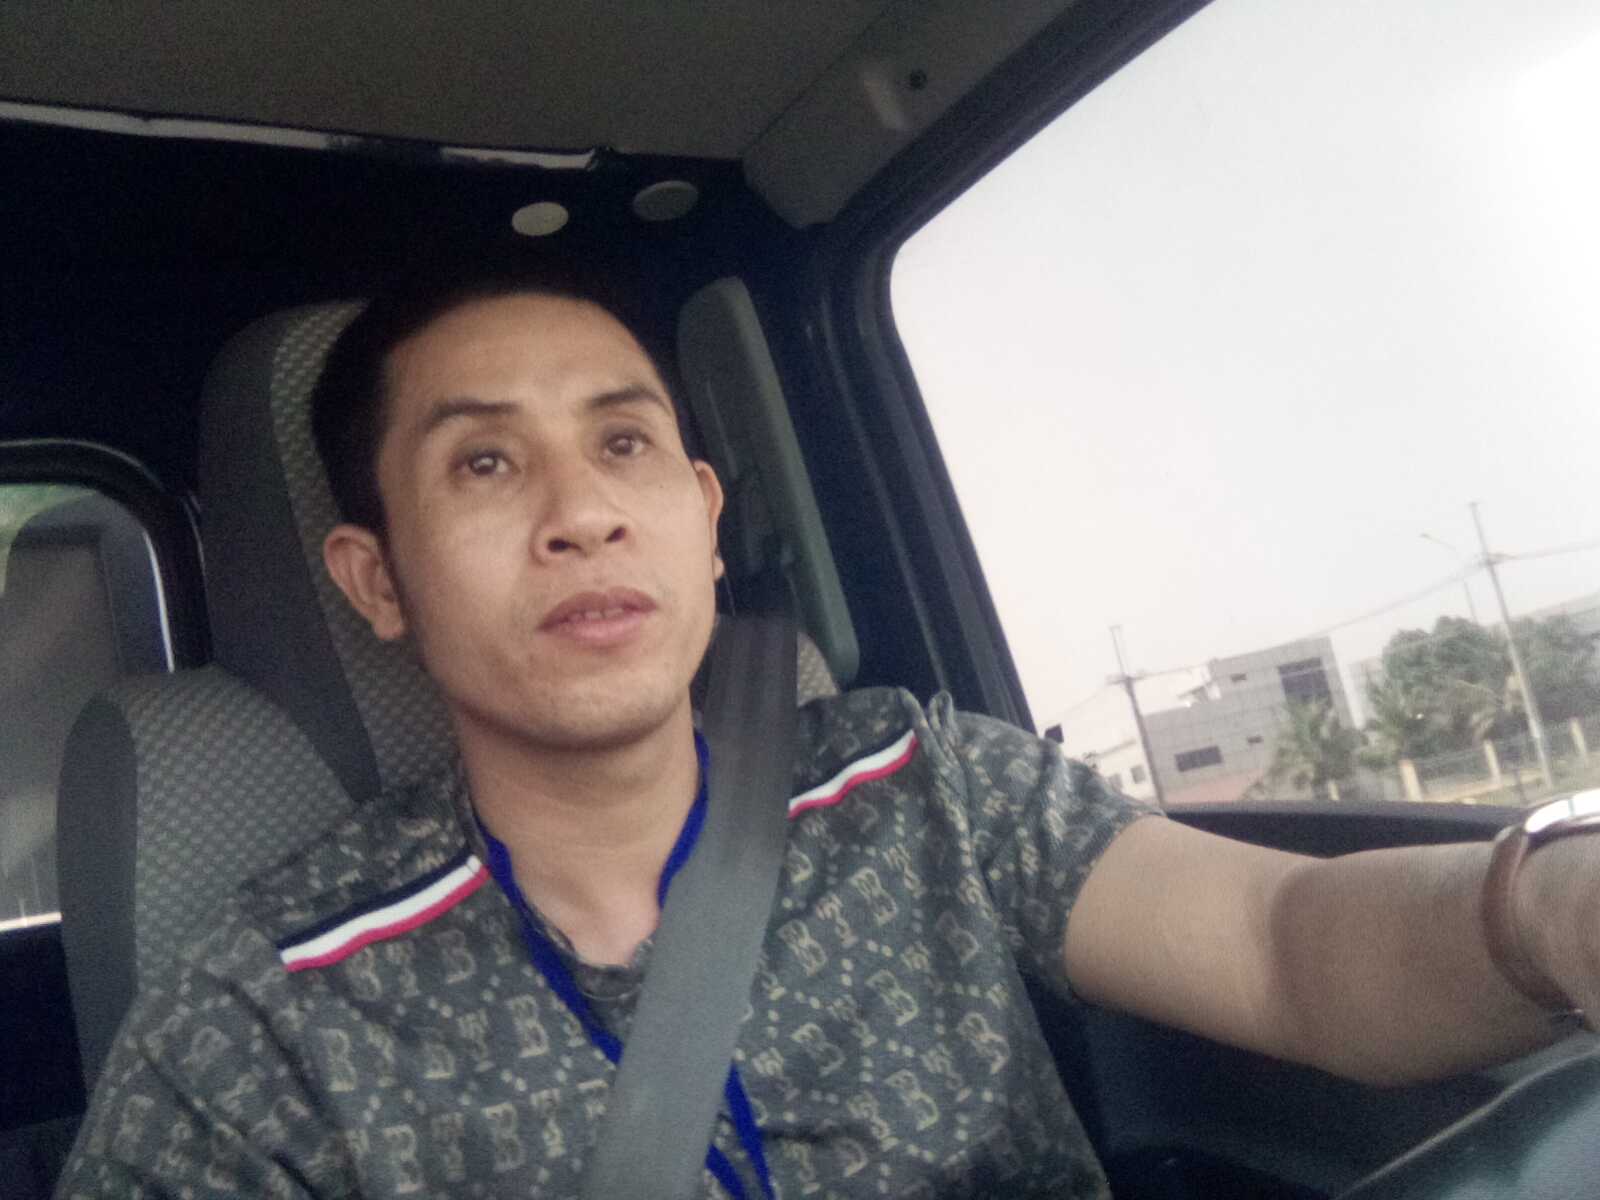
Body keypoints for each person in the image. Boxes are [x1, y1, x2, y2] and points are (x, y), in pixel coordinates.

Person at [56, 269, 1600, 1199]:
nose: (583, 512)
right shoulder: (265, 1013)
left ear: (702, 514)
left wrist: (1547, 906)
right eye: (484, 465)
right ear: (376, 580)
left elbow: (1281, 942)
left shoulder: (920, 784)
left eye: (623, 443)